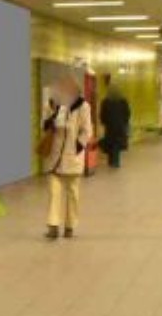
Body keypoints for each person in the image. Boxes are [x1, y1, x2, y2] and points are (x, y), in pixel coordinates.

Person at [41, 78, 92, 240]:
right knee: (54, 193)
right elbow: (44, 125)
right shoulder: (52, 104)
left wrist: (78, 146)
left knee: (73, 194)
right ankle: (53, 226)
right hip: (55, 157)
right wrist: (52, 116)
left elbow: (87, 131)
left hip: (72, 157)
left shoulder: (83, 107)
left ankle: (70, 226)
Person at [99, 83, 131, 169]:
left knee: (110, 143)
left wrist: (104, 122)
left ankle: (111, 161)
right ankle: (116, 162)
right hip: (120, 126)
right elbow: (127, 113)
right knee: (117, 143)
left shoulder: (105, 101)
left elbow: (102, 114)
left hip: (109, 126)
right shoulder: (123, 101)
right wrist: (124, 122)